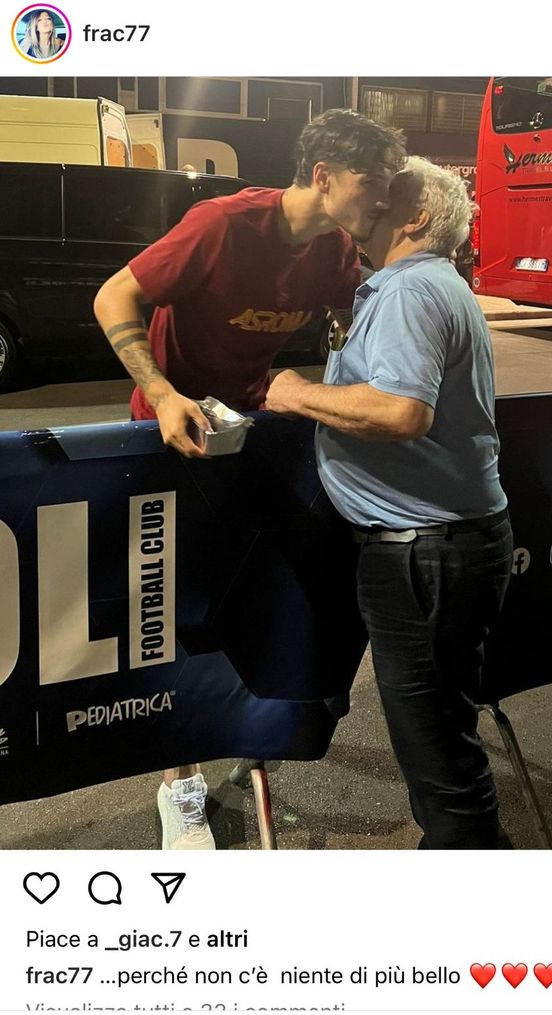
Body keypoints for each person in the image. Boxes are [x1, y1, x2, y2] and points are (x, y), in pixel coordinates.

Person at [93, 109, 407, 850]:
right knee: (181, 611)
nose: (383, 200)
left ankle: (251, 732)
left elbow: (346, 317)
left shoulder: (335, 250)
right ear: (324, 176)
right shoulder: (222, 224)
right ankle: (179, 787)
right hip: (169, 434)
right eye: (375, 184)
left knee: (258, 595)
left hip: (250, 434)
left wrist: (341, 372)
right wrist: (165, 393)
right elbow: (113, 298)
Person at [265, 158, 514, 849]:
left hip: (422, 554)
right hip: (443, 546)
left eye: (388, 192)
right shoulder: (428, 286)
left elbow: (403, 410)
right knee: (443, 742)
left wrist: (291, 391)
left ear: (417, 219)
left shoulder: (411, 291)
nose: (369, 198)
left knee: (440, 760)